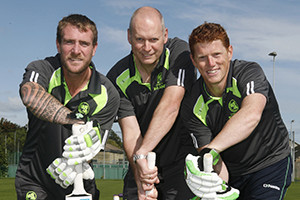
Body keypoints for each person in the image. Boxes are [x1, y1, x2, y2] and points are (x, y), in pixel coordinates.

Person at [181, 22, 292, 199]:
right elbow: (214, 159)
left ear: (229, 52)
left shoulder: (248, 72)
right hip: (233, 172)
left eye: (217, 54)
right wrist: (218, 187)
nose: (211, 63)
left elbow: (251, 114)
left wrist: (211, 150)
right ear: (194, 61)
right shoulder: (191, 104)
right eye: (202, 57)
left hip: (270, 162)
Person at [15, 14, 119, 200]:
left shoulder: (107, 92)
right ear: (58, 45)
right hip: (35, 181)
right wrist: (75, 118)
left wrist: (75, 161)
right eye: (69, 42)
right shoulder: (43, 68)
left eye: (84, 44)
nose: (76, 50)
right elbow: (30, 95)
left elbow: (95, 144)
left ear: (94, 49)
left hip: (79, 181)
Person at [107, 6, 198, 200]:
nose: (147, 48)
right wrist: (142, 175)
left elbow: (171, 106)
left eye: (153, 40)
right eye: (139, 39)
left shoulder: (180, 54)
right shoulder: (116, 76)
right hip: (142, 165)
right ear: (129, 36)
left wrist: (141, 153)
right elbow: (130, 131)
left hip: (181, 163)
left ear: (165, 35)